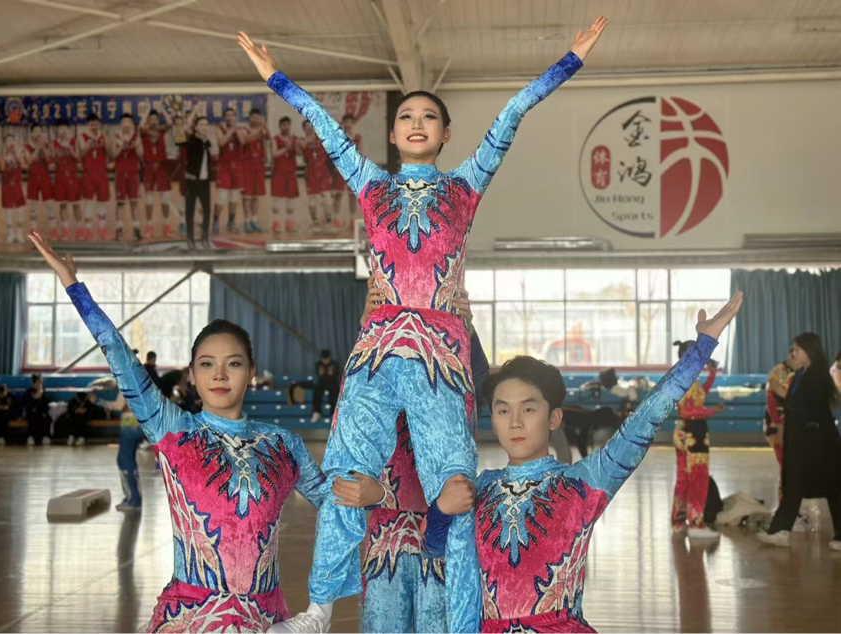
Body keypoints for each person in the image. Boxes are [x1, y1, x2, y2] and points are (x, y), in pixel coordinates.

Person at [238, 15, 607, 633]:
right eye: (406, 115)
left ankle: (459, 623)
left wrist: (567, 63)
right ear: (392, 132)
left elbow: (512, 115)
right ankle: (320, 609)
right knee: (346, 469)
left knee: (455, 487)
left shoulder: (466, 185)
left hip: (440, 350)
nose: (416, 122)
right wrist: (277, 79)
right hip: (378, 346)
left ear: (445, 133)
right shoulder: (371, 185)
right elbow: (325, 129)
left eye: (428, 116)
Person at [28, 229, 380, 629]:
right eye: (207, 364)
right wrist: (73, 286)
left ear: (251, 372)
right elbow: (118, 353)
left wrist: (376, 495)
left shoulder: (284, 445)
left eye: (234, 363)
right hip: (189, 618)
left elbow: (336, 503)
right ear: (192, 375)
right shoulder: (172, 429)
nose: (220, 374)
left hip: (265, 620)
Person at [422, 294, 743, 634]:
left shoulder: (581, 484)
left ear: (554, 418)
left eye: (528, 409)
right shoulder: (480, 488)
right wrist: (441, 510)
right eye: (503, 410)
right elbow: (434, 548)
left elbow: (646, 419)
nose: (515, 421)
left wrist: (702, 347)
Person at [343, 284, 489, 634]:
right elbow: (355, 410)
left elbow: (481, 387)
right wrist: (369, 326)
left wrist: (465, 331)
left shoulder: (453, 365)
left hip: (443, 522)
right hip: (387, 529)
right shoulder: (379, 361)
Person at [757, 333, 841, 551]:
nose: (793, 353)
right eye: (792, 349)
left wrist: (781, 392)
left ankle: (781, 531)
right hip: (803, 441)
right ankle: (779, 531)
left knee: (833, 489)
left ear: (809, 351)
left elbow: (806, 405)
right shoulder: (800, 375)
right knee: (795, 486)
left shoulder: (818, 376)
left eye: (797, 349)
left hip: (819, 442)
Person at [670, 343, 723, 539]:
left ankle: (678, 521)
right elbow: (688, 411)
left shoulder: (685, 377)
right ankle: (696, 523)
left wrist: (712, 374)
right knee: (697, 478)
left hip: (684, 432)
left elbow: (700, 395)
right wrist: (712, 411)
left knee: (684, 479)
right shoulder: (686, 379)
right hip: (693, 433)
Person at [140, 106, 175, 238]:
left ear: (158, 120)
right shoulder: (144, 132)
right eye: (151, 119)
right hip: (149, 167)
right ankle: (149, 226)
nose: (153, 121)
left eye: (155, 119)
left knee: (165, 198)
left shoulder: (161, 131)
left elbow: (170, 123)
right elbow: (140, 126)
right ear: (148, 121)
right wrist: (146, 111)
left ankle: (167, 225)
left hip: (162, 167)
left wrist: (163, 110)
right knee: (149, 199)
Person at [765, 354, 796, 500]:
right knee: (785, 464)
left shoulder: (802, 371)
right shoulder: (777, 372)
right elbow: (771, 400)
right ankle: (784, 501)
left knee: (791, 465)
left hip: (793, 422)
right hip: (777, 424)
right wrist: (778, 424)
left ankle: (788, 500)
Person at [214, 107, 246, 234]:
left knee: (234, 197)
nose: (229, 117)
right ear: (224, 117)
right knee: (221, 196)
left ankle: (231, 222)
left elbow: (243, 141)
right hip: (224, 166)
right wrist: (231, 130)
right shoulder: (219, 129)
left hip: (237, 166)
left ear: (235, 117)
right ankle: (215, 221)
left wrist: (235, 129)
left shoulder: (240, 129)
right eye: (227, 115)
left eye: (232, 115)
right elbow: (221, 142)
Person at [112, 113, 144, 242]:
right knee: (120, 202)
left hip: (133, 173)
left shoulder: (136, 138)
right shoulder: (116, 137)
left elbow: (141, 156)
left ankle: (136, 229)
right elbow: (113, 155)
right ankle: (119, 230)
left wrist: (137, 145)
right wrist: (120, 145)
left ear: (132, 125)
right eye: (124, 123)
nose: (126, 125)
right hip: (120, 173)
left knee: (134, 202)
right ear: (120, 125)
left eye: (128, 123)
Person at [78, 112, 110, 241]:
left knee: (102, 202)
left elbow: (110, 153)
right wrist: (90, 141)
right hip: (89, 173)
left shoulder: (103, 136)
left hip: (101, 172)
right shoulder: (83, 137)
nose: (94, 127)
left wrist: (105, 140)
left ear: (99, 125)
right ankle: (89, 229)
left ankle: (102, 229)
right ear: (87, 125)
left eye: (96, 125)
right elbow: (81, 153)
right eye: (92, 125)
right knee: (88, 202)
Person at [298, 119, 332, 234]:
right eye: (307, 127)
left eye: (311, 126)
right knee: (313, 199)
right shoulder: (302, 140)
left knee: (327, 197)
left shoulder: (321, 138)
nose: (309, 128)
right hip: (311, 170)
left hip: (323, 169)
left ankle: (328, 222)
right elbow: (302, 146)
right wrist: (311, 137)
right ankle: (315, 222)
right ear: (304, 129)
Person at [185, 116, 213, 250]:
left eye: (206, 125)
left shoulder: (207, 142)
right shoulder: (191, 140)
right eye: (201, 125)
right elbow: (184, 131)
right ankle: (190, 238)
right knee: (190, 211)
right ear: (195, 127)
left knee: (207, 210)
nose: (204, 127)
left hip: (205, 181)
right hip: (192, 181)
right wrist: (194, 112)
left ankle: (205, 237)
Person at [23, 124, 56, 239]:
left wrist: (43, 148)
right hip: (32, 177)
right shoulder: (27, 146)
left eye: (39, 131)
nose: (38, 134)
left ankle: (53, 229)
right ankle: (34, 231)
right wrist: (37, 148)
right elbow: (29, 161)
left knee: (49, 204)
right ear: (31, 133)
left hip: (45, 177)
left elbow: (49, 160)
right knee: (33, 205)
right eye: (36, 131)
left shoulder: (46, 145)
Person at [52, 119, 83, 240]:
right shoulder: (55, 143)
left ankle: (79, 230)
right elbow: (53, 161)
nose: (63, 131)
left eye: (64, 128)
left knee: (76, 204)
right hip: (60, 176)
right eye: (60, 128)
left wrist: (72, 151)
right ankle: (65, 231)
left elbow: (79, 157)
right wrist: (55, 154)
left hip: (72, 176)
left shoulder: (74, 142)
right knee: (62, 204)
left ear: (68, 129)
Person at [270, 116, 299, 235]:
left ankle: (289, 222)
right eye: (283, 125)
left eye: (288, 125)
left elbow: (299, 153)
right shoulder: (275, 139)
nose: (286, 127)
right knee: (277, 199)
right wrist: (287, 147)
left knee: (291, 200)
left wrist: (296, 146)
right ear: (280, 126)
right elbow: (274, 154)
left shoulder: (294, 138)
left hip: (291, 172)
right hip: (279, 172)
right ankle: (276, 222)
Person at [330, 113, 361, 225]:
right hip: (340, 169)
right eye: (346, 122)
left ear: (354, 124)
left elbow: (360, 153)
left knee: (352, 195)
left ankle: (352, 219)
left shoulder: (357, 137)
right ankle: (336, 218)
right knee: (338, 195)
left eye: (350, 122)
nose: (348, 124)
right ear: (343, 123)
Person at [242, 108, 267, 233]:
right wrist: (260, 129)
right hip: (247, 165)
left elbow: (269, 136)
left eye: (258, 117)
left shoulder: (263, 130)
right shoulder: (244, 129)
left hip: (259, 165)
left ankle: (254, 220)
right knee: (247, 196)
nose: (256, 120)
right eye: (254, 117)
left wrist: (265, 125)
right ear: (250, 118)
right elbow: (246, 139)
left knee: (256, 196)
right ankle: (246, 221)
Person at [0, 134, 27, 245]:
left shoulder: (18, 154)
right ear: (5, 143)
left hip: (17, 184)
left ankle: (19, 233)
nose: (10, 143)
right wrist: (5, 156)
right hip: (6, 185)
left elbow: (24, 166)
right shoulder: (2, 155)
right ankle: (10, 234)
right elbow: (1, 168)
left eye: (12, 140)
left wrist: (18, 155)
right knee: (8, 211)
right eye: (8, 141)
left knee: (20, 210)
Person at [311, 350, 340, 424]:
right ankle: (316, 411)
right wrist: (322, 373)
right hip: (323, 382)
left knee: (334, 391)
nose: (325, 361)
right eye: (324, 359)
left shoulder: (334, 364)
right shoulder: (318, 364)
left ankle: (333, 412)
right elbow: (319, 376)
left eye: (327, 359)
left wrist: (331, 373)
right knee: (317, 389)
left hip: (332, 382)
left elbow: (336, 376)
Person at [25, 373, 52, 446]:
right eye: (37, 382)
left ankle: (45, 436)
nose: (39, 383)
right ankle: (31, 436)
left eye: (40, 382)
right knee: (32, 417)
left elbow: (46, 404)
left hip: (42, 412)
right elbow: (29, 402)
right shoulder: (29, 391)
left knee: (46, 418)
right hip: (31, 412)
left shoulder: (44, 391)